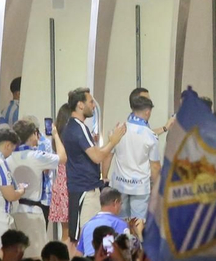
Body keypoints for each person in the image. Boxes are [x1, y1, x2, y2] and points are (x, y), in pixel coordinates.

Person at [58, 88, 125, 245]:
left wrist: (109, 144)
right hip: (84, 190)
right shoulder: (77, 128)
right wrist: (113, 142)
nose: (94, 106)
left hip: (87, 188)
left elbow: (95, 153)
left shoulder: (77, 127)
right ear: (80, 105)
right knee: (85, 237)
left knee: (95, 237)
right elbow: (96, 157)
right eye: (91, 102)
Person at [7, 118, 60, 251]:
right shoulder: (36, 156)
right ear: (31, 135)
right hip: (34, 212)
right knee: (36, 254)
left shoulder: (8, 159)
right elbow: (62, 158)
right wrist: (56, 135)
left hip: (14, 211)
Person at [108, 93, 160, 222]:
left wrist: (104, 175)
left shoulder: (119, 130)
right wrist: (157, 186)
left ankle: (122, 241)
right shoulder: (150, 135)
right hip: (140, 186)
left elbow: (108, 155)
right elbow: (155, 166)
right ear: (147, 112)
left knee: (120, 220)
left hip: (120, 183)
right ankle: (137, 242)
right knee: (138, 222)